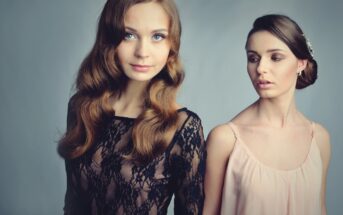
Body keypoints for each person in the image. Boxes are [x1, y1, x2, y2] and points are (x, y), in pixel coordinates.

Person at [58, 0, 205, 214]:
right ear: (109, 39)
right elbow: (73, 203)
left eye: (157, 36)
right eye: (129, 35)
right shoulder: (82, 107)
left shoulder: (183, 128)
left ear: (171, 45)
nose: (142, 52)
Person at [203, 14, 331, 215]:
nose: (261, 68)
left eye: (275, 57)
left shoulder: (319, 139)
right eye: (253, 58)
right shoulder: (225, 139)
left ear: (301, 63)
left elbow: (320, 208)